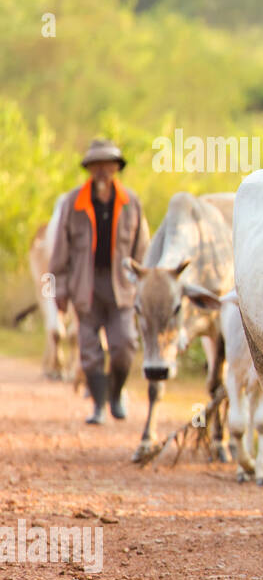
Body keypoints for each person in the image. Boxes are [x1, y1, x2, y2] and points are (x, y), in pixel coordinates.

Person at [49, 139, 151, 424]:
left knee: (124, 345)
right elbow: (59, 251)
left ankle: (116, 395)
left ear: (117, 168)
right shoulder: (74, 203)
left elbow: (142, 248)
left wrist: (144, 283)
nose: (103, 170)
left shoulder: (131, 202)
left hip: (122, 286)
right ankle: (97, 406)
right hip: (86, 285)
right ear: (89, 169)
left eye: (108, 164)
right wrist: (56, 290)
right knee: (90, 351)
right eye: (97, 165)